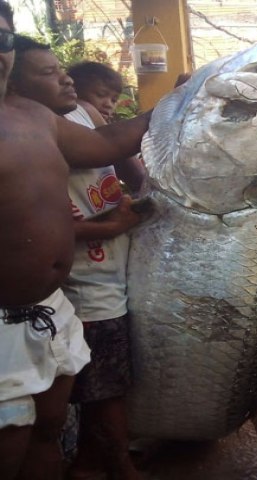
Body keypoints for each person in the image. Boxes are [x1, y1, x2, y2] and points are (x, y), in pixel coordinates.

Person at [0, 3, 152, 478]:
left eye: (2, 39)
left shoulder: (31, 116)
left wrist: (177, 104)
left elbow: (108, 143)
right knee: (10, 442)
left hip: (50, 310)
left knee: (48, 430)